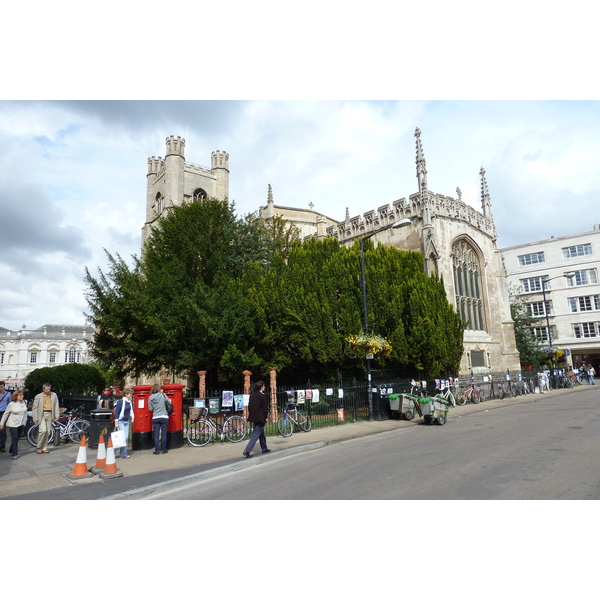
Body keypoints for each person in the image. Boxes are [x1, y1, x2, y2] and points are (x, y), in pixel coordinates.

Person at [243, 381, 271, 458]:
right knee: (256, 434)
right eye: (264, 386)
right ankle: (247, 450)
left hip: (254, 417)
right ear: (261, 387)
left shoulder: (252, 396)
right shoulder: (263, 396)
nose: (264, 387)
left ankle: (264, 448)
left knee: (261, 433)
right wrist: (265, 416)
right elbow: (265, 408)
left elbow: (249, 407)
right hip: (260, 417)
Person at [32, 383, 60, 454]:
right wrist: (35, 418)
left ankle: (44, 447)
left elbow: (56, 405)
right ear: (43, 389)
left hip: (50, 414)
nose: (48, 391)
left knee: (47, 432)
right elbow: (34, 408)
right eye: (46, 389)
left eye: (49, 389)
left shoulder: (54, 395)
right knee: (43, 430)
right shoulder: (38, 396)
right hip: (42, 414)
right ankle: (39, 446)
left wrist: (57, 415)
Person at [0, 389, 28, 459]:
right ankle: (15, 453)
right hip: (13, 423)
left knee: (17, 438)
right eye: (20, 395)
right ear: (16, 396)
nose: (22, 396)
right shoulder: (11, 404)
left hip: (21, 423)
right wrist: (1, 423)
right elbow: (5, 414)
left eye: (22, 395)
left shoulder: (24, 402)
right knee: (14, 437)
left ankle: (11, 450)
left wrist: (25, 421)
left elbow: (25, 413)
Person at [148, 384, 171, 455]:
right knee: (164, 433)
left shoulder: (150, 397)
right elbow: (169, 402)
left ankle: (157, 450)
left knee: (156, 434)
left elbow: (150, 409)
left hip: (156, 417)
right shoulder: (163, 395)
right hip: (164, 416)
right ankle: (164, 450)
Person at [113, 388, 134, 458]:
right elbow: (117, 412)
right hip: (121, 421)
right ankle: (113, 451)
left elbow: (130, 411)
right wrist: (116, 423)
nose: (131, 395)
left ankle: (123, 454)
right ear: (126, 394)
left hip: (126, 421)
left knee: (126, 438)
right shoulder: (121, 402)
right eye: (130, 394)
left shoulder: (129, 402)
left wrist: (131, 417)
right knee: (122, 438)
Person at [0, 381, 12, 452]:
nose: (0, 388)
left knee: (2, 430)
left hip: (4, 413)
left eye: (1, 387)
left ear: (4, 386)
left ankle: (2, 445)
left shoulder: (8, 394)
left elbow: (10, 404)